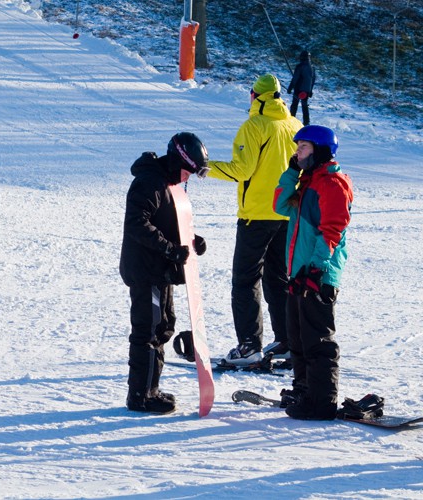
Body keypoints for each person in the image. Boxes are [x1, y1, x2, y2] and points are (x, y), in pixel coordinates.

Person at [208, 74, 303, 366]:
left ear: (255, 96)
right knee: (278, 279)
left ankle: (250, 346)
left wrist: (203, 167)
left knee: (245, 280)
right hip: (286, 214)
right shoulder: (295, 125)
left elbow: (242, 169)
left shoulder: (254, 126)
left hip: (256, 217)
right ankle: (287, 341)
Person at [119, 132, 210, 414]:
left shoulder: (170, 184)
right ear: (176, 160)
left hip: (160, 270)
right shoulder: (148, 182)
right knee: (147, 330)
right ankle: (140, 396)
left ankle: (151, 388)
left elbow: (170, 221)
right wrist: (170, 249)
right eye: (188, 171)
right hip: (145, 270)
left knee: (163, 326)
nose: (188, 177)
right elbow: (137, 223)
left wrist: (191, 240)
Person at [273, 125, 353, 420]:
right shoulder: (307, 181)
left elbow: (333, 228)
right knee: (297, 339)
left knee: (317, 340)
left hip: (317, 274)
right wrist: (293, 170)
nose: (297, 152)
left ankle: (322, 401)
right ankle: (304, 391)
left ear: (319, 150)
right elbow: (279, 204)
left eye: (303, 148)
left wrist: (316, 268)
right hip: (298, 273)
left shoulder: (332, 183)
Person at [287, 50, 316, 126]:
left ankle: (290, 120)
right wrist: (310, 90)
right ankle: (306, 122)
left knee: (294, 105)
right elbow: (313, 80)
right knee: (304, 106)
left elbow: (295, 78)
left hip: (298, 89)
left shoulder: (300, 66)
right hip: (306, 91)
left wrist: (290, 87)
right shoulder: (312, 68)